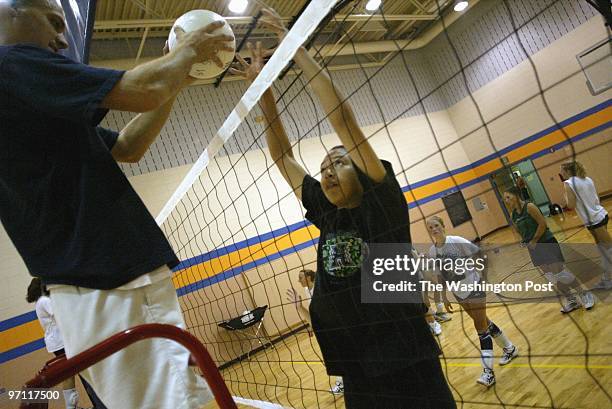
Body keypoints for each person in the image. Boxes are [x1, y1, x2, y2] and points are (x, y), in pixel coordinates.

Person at [0, 1, 234, 408]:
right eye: (54, 22)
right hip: (105, 279)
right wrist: (187, 51)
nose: (61, 39)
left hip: (100, 282)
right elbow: (143, 90)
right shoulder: (11, 64)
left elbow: (128, 146)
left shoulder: (33, 104)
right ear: (14, 12)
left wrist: (175, 77)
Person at [231, 9, 456, 408]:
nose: (328, 171)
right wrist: (263, 92)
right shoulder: (327, 211)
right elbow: (282, 156)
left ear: (364, 173)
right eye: (323, 168)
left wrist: (296, 47)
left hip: (406, 359)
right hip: (356, 367)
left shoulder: (382, 205)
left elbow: (344, 121)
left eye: (340, 161)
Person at [425, 216, 518, 387]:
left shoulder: (456, 241)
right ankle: (510, 348)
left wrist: (483, 277)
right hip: (459, 293)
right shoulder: (432, 252)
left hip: (474, 287)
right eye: (430, 227)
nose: (433, 229)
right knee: (484, 322)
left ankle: (488, 373)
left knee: (480, 328)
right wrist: (444, 297)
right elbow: (440, 275)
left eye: (436, 225)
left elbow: (480, 254)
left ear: (443, 226)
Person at [503, 187, 595, 312]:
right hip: (534, 248)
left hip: (546, 242)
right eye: (505, 198)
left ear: (516, 195)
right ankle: (571, 300)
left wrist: (535, 240)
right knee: (551, 276)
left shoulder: (529, 207)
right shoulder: (513, 214)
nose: (506, 200)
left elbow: (542, 223)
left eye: (508, 197)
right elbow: (519, 231)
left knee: (560, 273)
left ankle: (584, 293)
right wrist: (524, 241)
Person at [27, 277, 107, 409]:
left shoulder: (40, 302)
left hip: (58, 343)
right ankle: (80, 405)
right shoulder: (45, 301)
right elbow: (62, 314)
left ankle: (74, 406)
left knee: (70, 374)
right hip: (61, 343)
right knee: (79, 371)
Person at [286, 269, 345, 395]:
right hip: (327, 330)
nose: (299, 280)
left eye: (300, 277)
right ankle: (342, 383)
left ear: (308, 277)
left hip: (339, 326)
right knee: (334, 357)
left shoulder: (322, 288)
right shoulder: (308, 291)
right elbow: (315, 318)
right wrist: (299, 308)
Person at [561, 161, 612, 289]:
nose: (561, 173)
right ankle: (607, 279)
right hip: (601, 215)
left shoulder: (568, 184)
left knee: (608, 250)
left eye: (562, 170)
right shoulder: (586, 179)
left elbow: (570, 205)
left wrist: (565, 197)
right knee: (604, 250)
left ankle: (608, 279)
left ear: (567, 171)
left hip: (594, 220)